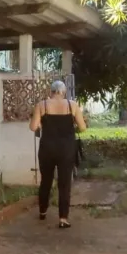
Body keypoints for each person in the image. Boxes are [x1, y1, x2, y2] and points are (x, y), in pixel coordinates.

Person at [28, 80, 86, 228]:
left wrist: (42, 123)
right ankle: (63, 218)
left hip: (47, 148)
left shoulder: (42, 105)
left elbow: (33, 127)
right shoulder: (72, 105)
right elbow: (83, 127)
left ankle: (42, 211)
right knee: (64, 183)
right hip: (66, 149)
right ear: (64, 92)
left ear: (51, 92)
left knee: (46, 181)